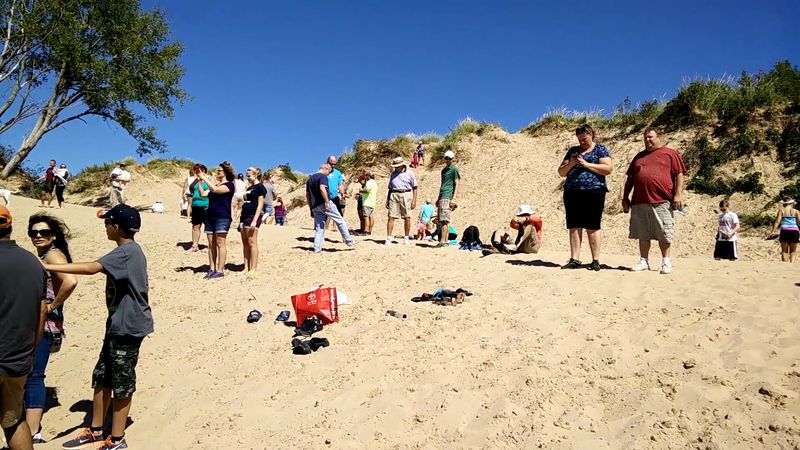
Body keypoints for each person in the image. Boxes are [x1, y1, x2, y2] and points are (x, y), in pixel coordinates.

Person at [46, 205, 153, 450]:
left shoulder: (128, 251)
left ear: (116, 227)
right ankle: (95, 431)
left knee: (122, 382)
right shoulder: (126, 251)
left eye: (107, 223)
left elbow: (91, 267)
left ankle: (117, 439)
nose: (105, 226)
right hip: (117, 324)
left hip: (128, 327)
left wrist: (49, 267)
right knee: (102, 377)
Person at [24, 214, 78, 444]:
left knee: (34, 376)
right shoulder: (46, 255)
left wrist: (51, 307)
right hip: (39, 323)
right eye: (34, 232)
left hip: (44, 325)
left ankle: (33, 431)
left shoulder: (54, 254)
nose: (38, 236)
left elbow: (70, 281)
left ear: (53, 236)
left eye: (44, 232)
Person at [0, 205, 47, 450]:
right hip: (18, 360)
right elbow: (42, 312)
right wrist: (30, 351)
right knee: (14, 420)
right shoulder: (32, 263)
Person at [622, 128, 686, 274]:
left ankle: (666, 262)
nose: (647, 140)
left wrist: (678, 195)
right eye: (645, 138)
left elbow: (679, 174)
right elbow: (630, 178)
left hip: (662, 199)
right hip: (639, 200)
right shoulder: (639, 156)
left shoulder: (670, 153)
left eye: (650, 137)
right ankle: (644, 260)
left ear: (659, 137)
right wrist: (625, 197)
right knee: (643, 233)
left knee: (664, 231)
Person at [557, 124, 613, 271]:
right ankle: (574, 258)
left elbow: (608, 169)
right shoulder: (573, 151)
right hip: (572, 192)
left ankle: (595, 260)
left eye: (584, 139)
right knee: (574, 226)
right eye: (579, 139)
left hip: (594, 191)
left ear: (592, 135)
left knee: (592, 225)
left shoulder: (600, 149)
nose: (582, 142)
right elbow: (561, 172)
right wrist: (573, 162)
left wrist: (587, 164)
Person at [197, 162, 235, 279]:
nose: (217, 172)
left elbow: (216, 190)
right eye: (217, 171)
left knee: (220, 243)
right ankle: (212, 268)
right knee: (211, 244)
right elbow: (203, 194)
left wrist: (205, 178)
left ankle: (220, 270)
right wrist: (200, 180)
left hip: (222, 217)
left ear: (225, 173)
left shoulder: (229, 185)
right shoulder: (216, 185)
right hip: (210, 217)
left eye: (219, 171)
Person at [306, 163, 356, 253]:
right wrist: (327, 202)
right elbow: (322, 188)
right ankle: (349, 241)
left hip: (315, 206)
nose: (328, 174)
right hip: (324, 203)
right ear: (325, 169)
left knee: (319, 227)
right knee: (340, 220)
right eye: (328, 172)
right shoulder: (322, 177)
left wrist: (311, 208)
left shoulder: (310, 179)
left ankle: (317, 248)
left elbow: (308, 195)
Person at [385, 157, 419, 245]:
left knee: (407, 217)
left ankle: (406, 237)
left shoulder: (410, 173)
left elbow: (415, 187)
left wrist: (414, 200)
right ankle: (388, 237)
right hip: (394, 194)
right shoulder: (393, 174)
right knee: (391, 216)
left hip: (406, 194)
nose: (395, 168)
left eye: (397, 166)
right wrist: (387, 199)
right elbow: (390, 188)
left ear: (402, 165)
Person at [240, 167, 266, 275]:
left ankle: (253, 268)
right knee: (245, 242)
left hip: (252, 216)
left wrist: (255, 220)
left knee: (252, 242)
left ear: (255, 175)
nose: (247, 177)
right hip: (244, 215)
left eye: (249, 175)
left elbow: (260, 204)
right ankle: (246, 267)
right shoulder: (249, 187)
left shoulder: (260, 187)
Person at [435, 150, 461, 248]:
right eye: (446, 158)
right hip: (442, 196)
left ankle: (444, 241)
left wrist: (454, 198)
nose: (447, 160)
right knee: (441, 220)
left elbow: (457, 183)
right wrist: (438, 198)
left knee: (445, 219)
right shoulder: (443, 171)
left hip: (448, 196)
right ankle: (443, 240)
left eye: (449, 158)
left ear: (452, 159)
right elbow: (442, 184)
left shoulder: (454, 169)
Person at [187, 164, 209, 253]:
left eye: (198, 170)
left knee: (208, 226)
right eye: (195, 170)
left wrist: (202, 179)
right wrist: (197, 180)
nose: (197, 172)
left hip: (206, 205)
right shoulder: (196, 180)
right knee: (195, 226)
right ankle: (195, 245)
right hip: (196, 205)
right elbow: (191, 187)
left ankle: (210, 246)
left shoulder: (209, 180)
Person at [771, 198, 800, 262]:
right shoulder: (796, 211)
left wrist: (772, 231)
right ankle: (791, 264)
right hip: (794, 231)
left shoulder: (781, 211)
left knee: (784, 251)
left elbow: (777, 222)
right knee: (793, 251)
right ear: (792, 204)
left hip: (784, 230)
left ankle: (785, 264)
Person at [325, 156, 346, 231]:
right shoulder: (323, 172)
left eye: (334, 164)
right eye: (331, 164)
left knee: (338, 215)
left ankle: (338, 230)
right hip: (325, 197)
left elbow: (340, 184)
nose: (333, 166)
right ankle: (326, 229)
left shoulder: (338, 173)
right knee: (326, 215)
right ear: (327, 162)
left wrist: (342, 193)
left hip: (335, 198)